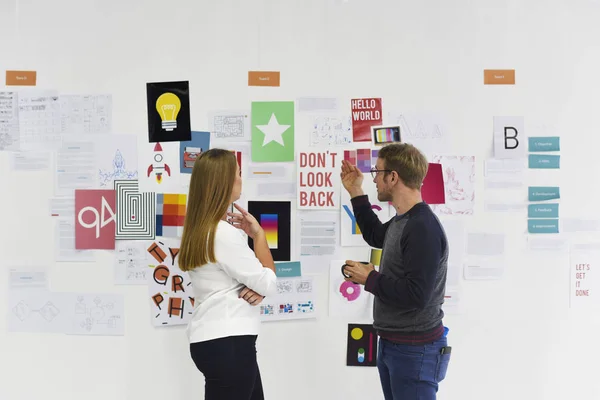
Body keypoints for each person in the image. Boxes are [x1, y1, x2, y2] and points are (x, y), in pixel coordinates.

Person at [340, 143, 451, 400]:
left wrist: (370, 278)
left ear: (393, 177)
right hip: (395, 343)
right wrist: (356, 191)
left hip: (415, 349)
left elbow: (417, 294)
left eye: (378, 172)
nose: (375, 179)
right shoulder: (404, 220)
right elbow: (375, 234)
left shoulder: (422, 227)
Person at [178, 148, 277, 400]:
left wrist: (259, 286)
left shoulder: (200, 230)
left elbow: (259, 284)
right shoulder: (223, 233)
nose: (242, 179)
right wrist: (259, 236)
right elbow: (268, 282)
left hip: (215, 341)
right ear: (224, 183)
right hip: (229, 342)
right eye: (239, 174)